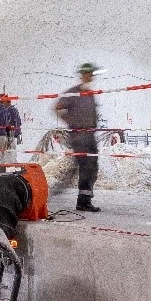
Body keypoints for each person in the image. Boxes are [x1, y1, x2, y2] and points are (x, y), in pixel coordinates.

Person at [55, 62, 101, 212]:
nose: (90, 76)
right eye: (88, 74)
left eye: (92, 74)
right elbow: (58, 108)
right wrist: (73, 122)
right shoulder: (73, 93)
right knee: (86, 166)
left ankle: (84, 198)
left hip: (89, 134)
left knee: (91, 166)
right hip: (79, 135)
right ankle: (82, 201)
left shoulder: (90, 94)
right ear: (82, 75)